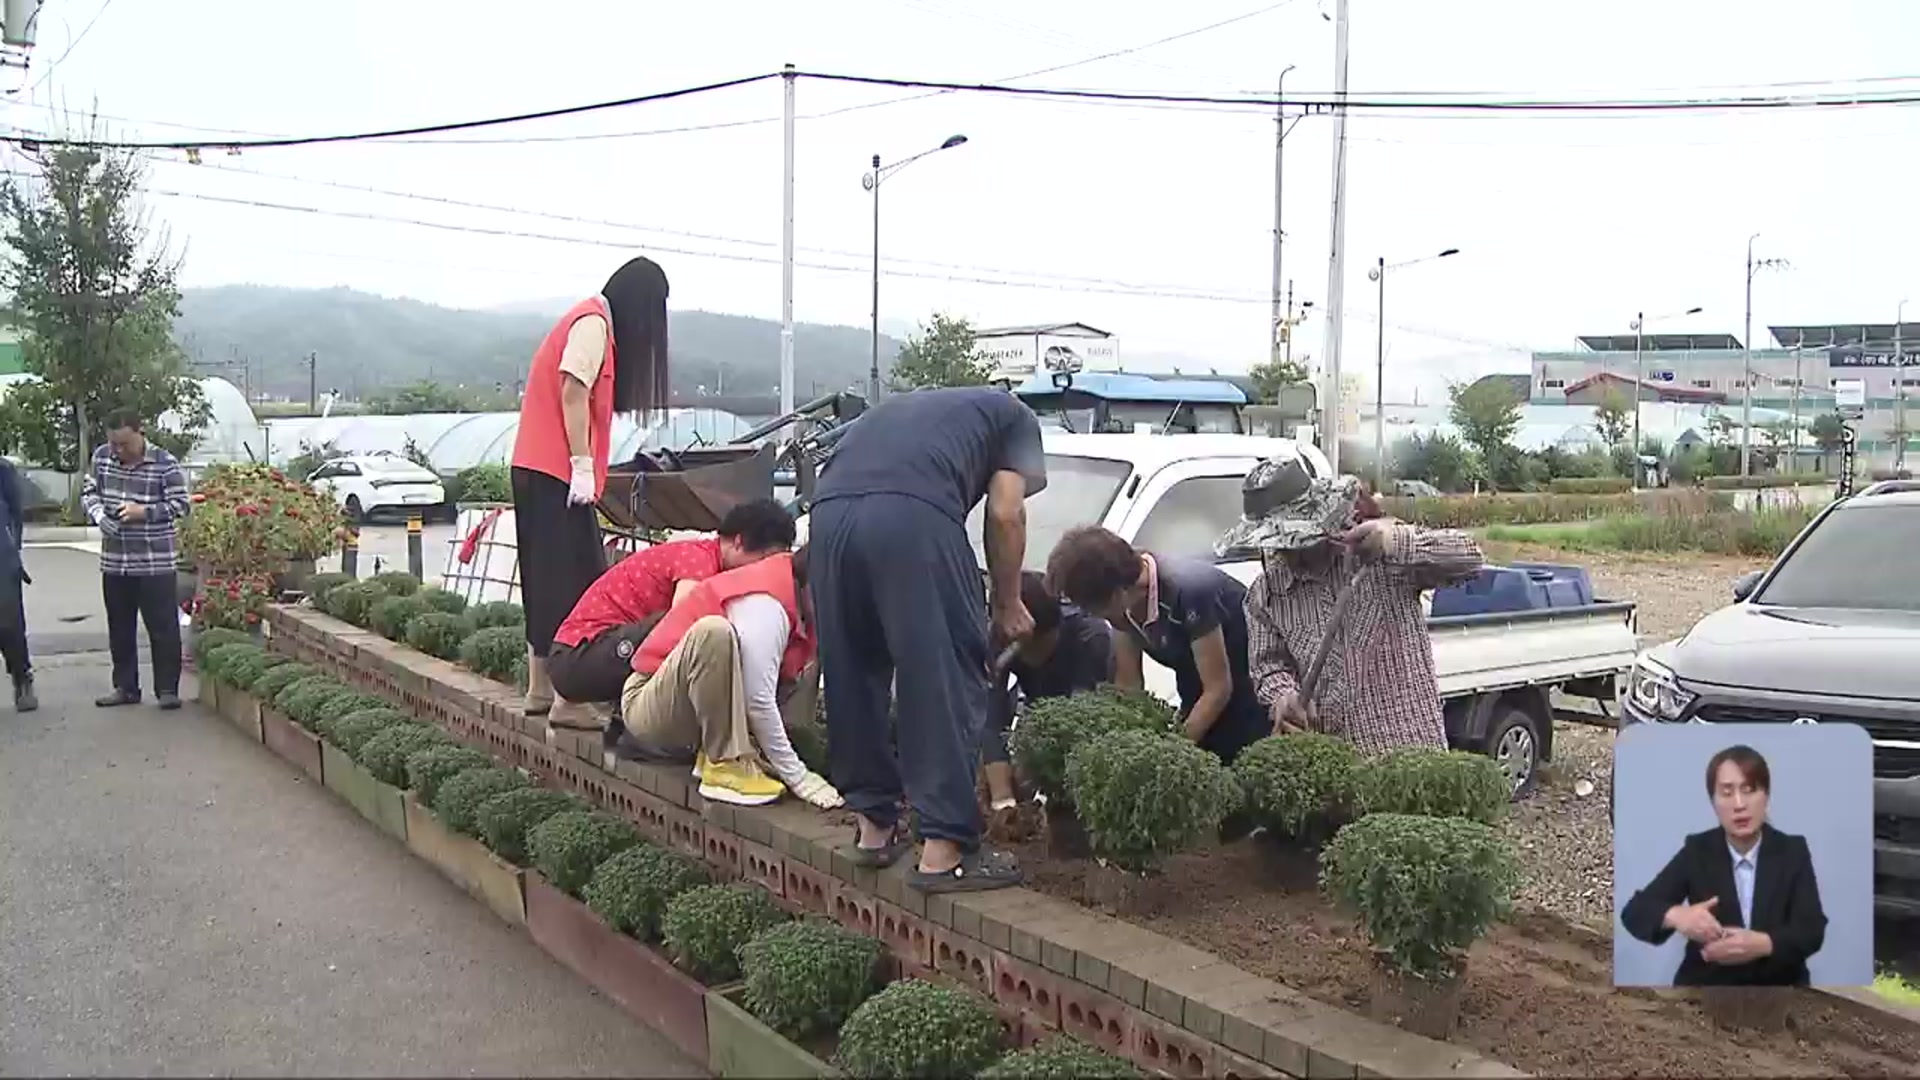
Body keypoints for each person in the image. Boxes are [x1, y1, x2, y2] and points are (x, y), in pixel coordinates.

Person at [810, 386, 1046, 893]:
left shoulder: (906, 408)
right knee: (940, 674)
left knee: (853, 667)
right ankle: (945, 852)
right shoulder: (1017, 418)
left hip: (827, 516)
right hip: (911, 519)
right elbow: (1006, 512)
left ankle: (874, 829)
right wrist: (1007, 601)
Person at [1223, 450, 1482, 755]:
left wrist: (1394, 540)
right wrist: (1283, 696)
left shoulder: (1380, 560)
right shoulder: (1265, 595)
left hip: (1413, 761)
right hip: (1337, 772)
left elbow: (1469, 558)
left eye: (1294, 537)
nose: (1287, 551)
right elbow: (1269, 665)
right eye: (1277, 542)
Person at [509, 256, 670, 718]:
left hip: (537, 469)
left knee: (544, 580)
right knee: (575, 584)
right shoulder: (593, 324)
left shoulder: (591, 322)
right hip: (557, 474)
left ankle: (541, 688)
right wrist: (581, 463)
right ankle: (568, 698)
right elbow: (573, 389)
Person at [613, 546, 840, 809]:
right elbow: (757, 699)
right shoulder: (766, 604)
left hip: (684, 709)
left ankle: (722, 753)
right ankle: (723, 764)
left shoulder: (796, 603)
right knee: (714, 633)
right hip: (647, 702)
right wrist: (799, 778)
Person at [547, 498, 795, 729]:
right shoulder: (699, 560)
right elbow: (683, 627)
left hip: (578, 656)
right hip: (576, 658)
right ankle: (636, 727)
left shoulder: (705, 560)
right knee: (693, 627)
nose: (766, 572)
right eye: (764, 560)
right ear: (739, 542)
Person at [1045, 526, 1266, 765]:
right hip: (1195, 689)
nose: (1092, 616)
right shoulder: (1121, 600)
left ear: (1119, 594)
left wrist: (1165, 753)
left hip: (1251, 692)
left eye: (1093, 609)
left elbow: (1218, 689)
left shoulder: (1189, 591)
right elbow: (1129, 686)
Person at [1619, 745, 1827, 987]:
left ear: (1766, 796)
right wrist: (1677, 916)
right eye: (1727, 793)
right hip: (1706, 990)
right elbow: (1634, 911)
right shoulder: (1698, 850)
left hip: (1778, 989)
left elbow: (1812, 928)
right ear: (1713, 802)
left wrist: (1763, 944)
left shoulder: (1792, 851)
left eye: (1749, 790)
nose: (1739, 804)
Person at [79, 411, 190, 711]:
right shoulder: (102, 458)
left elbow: (182, 505)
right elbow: (89, 493)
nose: (118, 451)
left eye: (124, 444)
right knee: (120, 627)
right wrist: (100, 516)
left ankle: (167, 689)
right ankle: (125, 687)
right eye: (113, 444)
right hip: (115, 562)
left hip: (155, 562)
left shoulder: (164, 463)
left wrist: (144, 512)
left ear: (140, 433)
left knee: (163, 627)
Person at [980, 571, 1114, 818]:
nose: (1032, 657)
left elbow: (1080, 721)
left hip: (1096, 720)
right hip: (1039, 709)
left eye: (1039, 647)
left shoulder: (1090, 635)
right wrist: (1003, 801)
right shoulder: (1003, 636)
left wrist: (1044, 790)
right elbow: (992, 717)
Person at [0, 454, 34, 712]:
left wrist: (13, 551)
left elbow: (15, 514)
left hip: (2, 557)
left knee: (9, 624)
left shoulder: (3, 469)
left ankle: (22, 679)